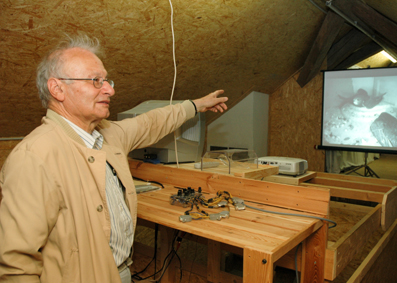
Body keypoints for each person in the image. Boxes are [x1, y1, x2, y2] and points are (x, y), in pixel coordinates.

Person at [0, 34, 227, 283]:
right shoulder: (34, 157)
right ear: (57, 89)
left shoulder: (107, 135)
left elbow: (150, 123)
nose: (110, 89)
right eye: (96, 81)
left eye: (107, 80)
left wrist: (195, 106)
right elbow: (16, 266)